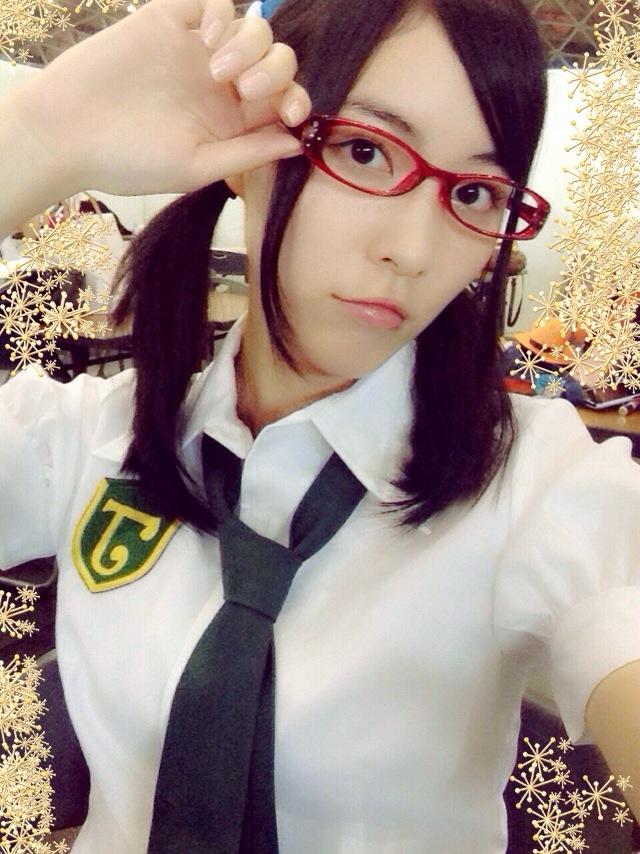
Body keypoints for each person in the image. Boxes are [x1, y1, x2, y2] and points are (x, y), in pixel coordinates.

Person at [0, 0, 639, 851]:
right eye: (365, 151)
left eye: (475, 193)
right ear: (250, 148)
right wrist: (39, 135)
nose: (414, 249)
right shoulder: (83, 438)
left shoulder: (543, 485)